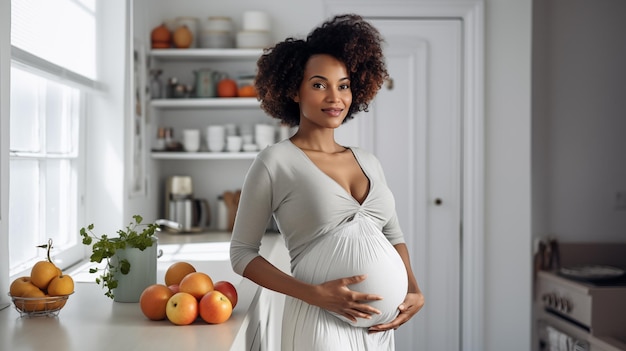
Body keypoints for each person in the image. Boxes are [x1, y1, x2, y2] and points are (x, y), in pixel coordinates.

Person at [230, 13, 425, 351]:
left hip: (380, 333)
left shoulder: (368, 160)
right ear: (294, 90)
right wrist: (315, 295)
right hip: (320, 323)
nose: (335, 97)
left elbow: (393, 235)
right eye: (319, 84)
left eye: (344, 85)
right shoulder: (276, 162)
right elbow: (242, 254)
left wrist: (412, 288)